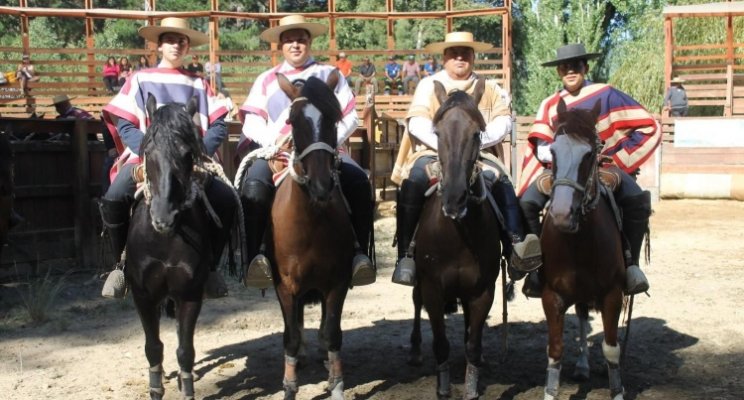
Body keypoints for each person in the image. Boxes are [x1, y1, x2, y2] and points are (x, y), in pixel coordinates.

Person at [390, 31, 541, 286]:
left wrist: (473, 142)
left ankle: (515, 246)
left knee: (503, 182)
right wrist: (448, 145)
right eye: (453, 53)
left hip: (479, 153)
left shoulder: (489, 86)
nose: (460, 57)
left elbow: (503, 121)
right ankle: (405, 255)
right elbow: (416, 123)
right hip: (433, 151)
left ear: (473, 56)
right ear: (445, 57)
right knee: (414, 181)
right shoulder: (429, 85)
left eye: (465, 53)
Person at [237, 14, 375, 288]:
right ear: (280, 45)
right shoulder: (266, 79)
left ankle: (359, 253)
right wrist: (273, 140)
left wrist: (328, 143)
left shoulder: (329, 74)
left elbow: (350, 117)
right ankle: (257, 258)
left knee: (358, 181)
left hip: (325, 152)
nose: (296, 45)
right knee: (253, 185)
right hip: (278, 154)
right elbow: (252, 121)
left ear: (310, 42)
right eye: (289, 40)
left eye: (301, 39)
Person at [100, 17, 232, 299]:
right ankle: (119, 266)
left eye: (181, 41)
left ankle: (211, 267)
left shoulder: (199, 84)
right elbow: (124, 123)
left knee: (227, 199)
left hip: (190, 163)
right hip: (147, 160)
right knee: (114, 196)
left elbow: (220, 123)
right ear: (160, 44)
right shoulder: (139, 79)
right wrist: (146, 152)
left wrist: (199, 152)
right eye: (170, 40)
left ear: (187, 47)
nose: (176, 45)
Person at [517, 43, 661, 297]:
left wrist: (619, 158)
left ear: (586, 67)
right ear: (558, 71)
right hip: (559, 171)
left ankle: (630, 265)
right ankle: (537, 268)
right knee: (527, 202)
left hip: (603, 168)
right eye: (565, 67)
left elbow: (649, 126)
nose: (570, 71)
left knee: (637, 201)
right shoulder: (550, 104)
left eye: (576, 66)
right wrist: (560, 156)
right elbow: (541, 143)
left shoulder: (607, 95)